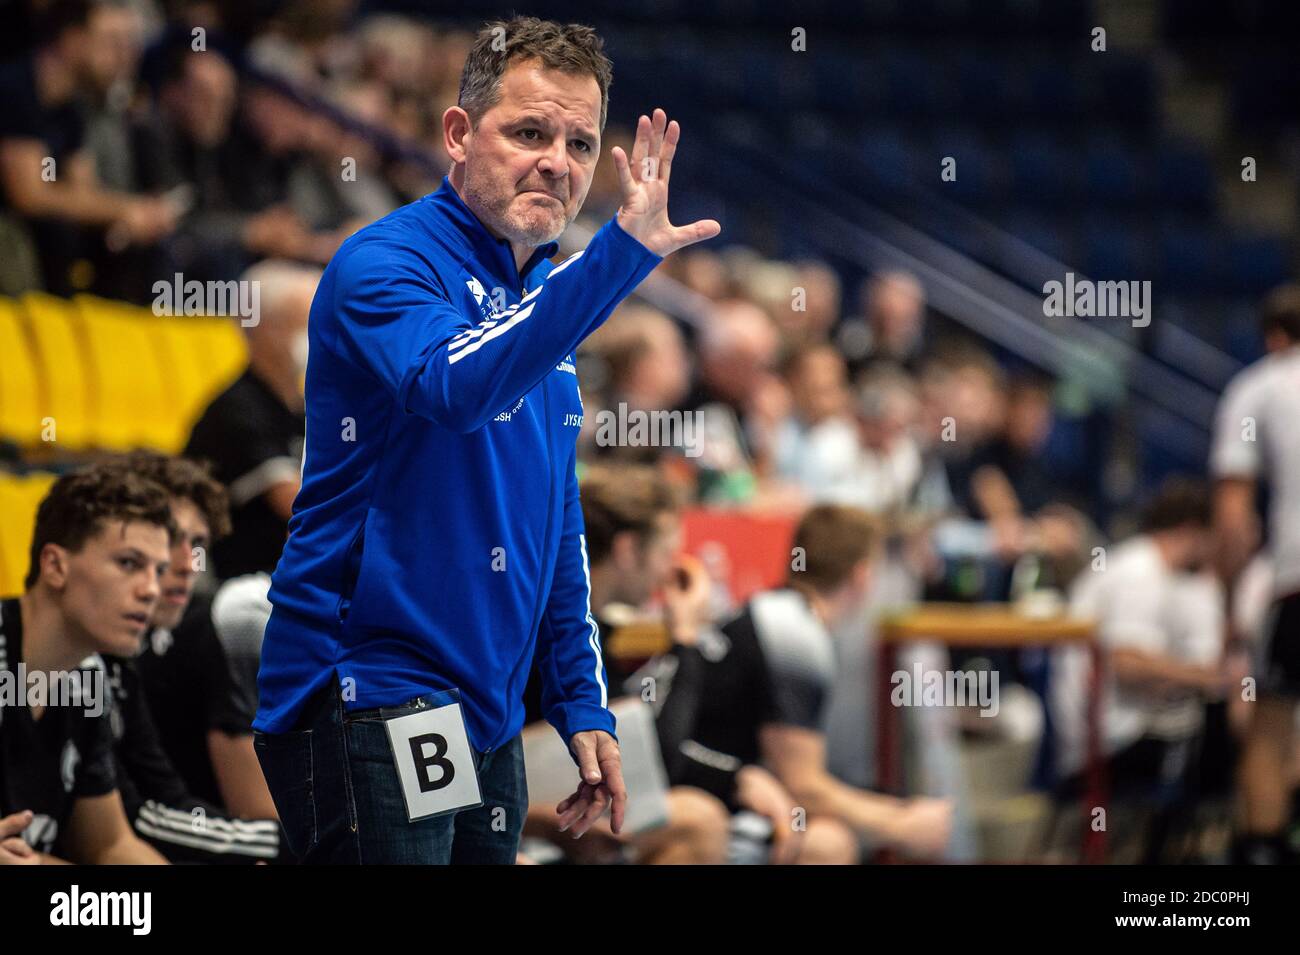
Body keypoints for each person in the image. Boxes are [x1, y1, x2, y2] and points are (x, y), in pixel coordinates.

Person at [253, 16, 720, 865]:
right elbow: (454, 386)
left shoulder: (541, 305)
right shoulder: (383, 263)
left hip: (488, 710)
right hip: (367, 686)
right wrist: (613, 258)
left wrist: (583, 703)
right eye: (530, 132)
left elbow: (557, 523)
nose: (559, 162)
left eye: (581, 143)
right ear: (459, 134)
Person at [693, 504, 955, 858]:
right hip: (703, 794)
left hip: (711, 783)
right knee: (828, 844)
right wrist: (901, 823)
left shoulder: (776, 612)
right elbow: (803, 787)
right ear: (862, 576)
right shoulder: (798, 635)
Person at [0, 464, 172, 863]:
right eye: (129, 563)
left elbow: (109, 846)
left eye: (158, 571)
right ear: (56, 565)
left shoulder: (90, 676)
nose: (151, 590)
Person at [1048, 479, 1225, 862]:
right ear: (1192, 532)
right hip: (1103, 738)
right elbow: (1127, 664)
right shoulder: (1139, 572)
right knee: (1219, 726)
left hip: (1113, 725)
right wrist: (1205, 678)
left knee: (1212, 723)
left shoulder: (1146, 567)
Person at [1212, 284, 1300, 864]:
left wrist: (1227, 608)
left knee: (1269, 722)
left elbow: (1233, 520)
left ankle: (1265, 851)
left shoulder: (1261, 386)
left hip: (1297, 581)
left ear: (1274, 337)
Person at [184, 259, 316, 580]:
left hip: (290, 577)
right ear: (264, 329)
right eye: (304, 322)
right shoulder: (237, 411)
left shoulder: (302, 406)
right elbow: (299, 504)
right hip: (237, 588)